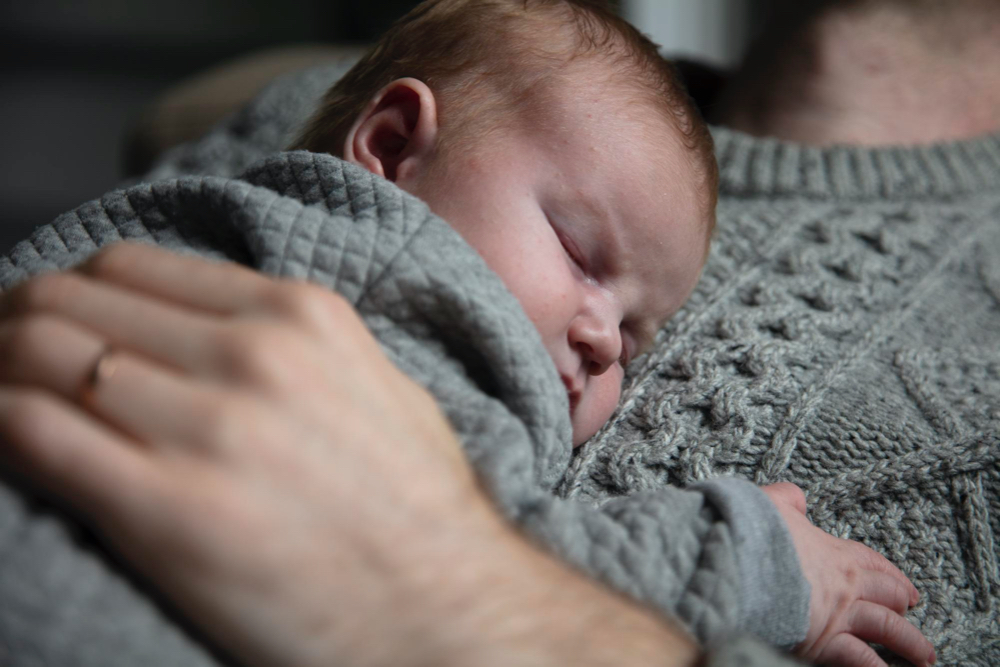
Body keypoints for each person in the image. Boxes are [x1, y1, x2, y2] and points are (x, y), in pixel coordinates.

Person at [3, 0, 985, 665]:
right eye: (575, 250)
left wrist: (460, 584)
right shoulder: (396, 266)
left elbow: (450, 546)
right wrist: (753, 558)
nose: (604, 336)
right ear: (388, 150)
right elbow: (537, 538)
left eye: (638, 337)